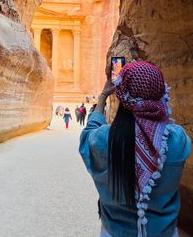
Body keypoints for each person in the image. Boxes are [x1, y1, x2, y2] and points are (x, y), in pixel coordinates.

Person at [79, 61, 191, 237]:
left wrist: (103, 96)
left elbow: (88, 133)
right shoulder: (177, 140)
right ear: (162, 94)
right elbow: (163, 124)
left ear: (121, 95)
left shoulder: (103, 140)